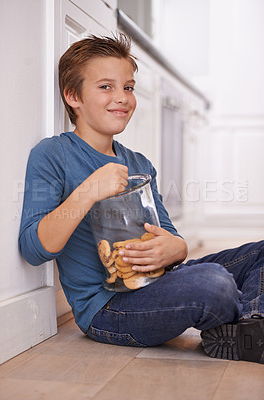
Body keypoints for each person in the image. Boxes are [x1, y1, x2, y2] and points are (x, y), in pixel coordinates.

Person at [19, 33, 264, 364]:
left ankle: (250, 327)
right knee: (213, 283)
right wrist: (89, 190)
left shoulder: (139, 164)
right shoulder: (53, 154)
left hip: (160, 283)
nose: (121, 97)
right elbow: (34, 249)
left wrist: (176, 249)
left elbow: (171, 238)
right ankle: (250, 312)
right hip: (109, 309)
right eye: (106, 87)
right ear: (73, 95)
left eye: (128, 87)